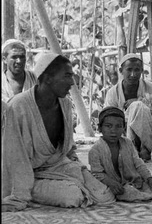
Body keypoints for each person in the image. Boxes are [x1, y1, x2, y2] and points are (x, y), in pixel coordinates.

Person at [2, 52, 115, 209]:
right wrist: (20, 191)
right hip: (27, 174)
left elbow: (68, 150)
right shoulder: (18, 107)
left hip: (58, 165)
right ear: (48, 78)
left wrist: (79, 170)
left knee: (105, 196)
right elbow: (12, 158)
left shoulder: (65, 104)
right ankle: (36, 191)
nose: (72, 82)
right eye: (67, 76)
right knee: (74, 196)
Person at [89, 106, 152, 201]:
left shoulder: (128, 143)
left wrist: (150, 179)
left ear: (124, 128)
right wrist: (111, 183)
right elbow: (97, 173)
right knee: (103, 196)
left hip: (133, 182)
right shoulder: (95, 150)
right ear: (100, 128)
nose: (113, 131)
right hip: (109, 184)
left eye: (118, 126)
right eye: (108, 126)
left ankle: (135, 193)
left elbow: (139, 164)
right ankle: (133, 194)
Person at [104, 53, 152, 161]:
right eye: (129, 70)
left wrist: (141, 102)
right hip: (123, 135)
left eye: (137, 70)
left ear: (141, 71)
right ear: (121, 71)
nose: (133, 74)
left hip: (150, 137)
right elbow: (107, 121)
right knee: (136, 107)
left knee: (138, 106)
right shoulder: (113, 93)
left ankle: (145, 148)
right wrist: (128, 115)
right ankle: (132, 148)